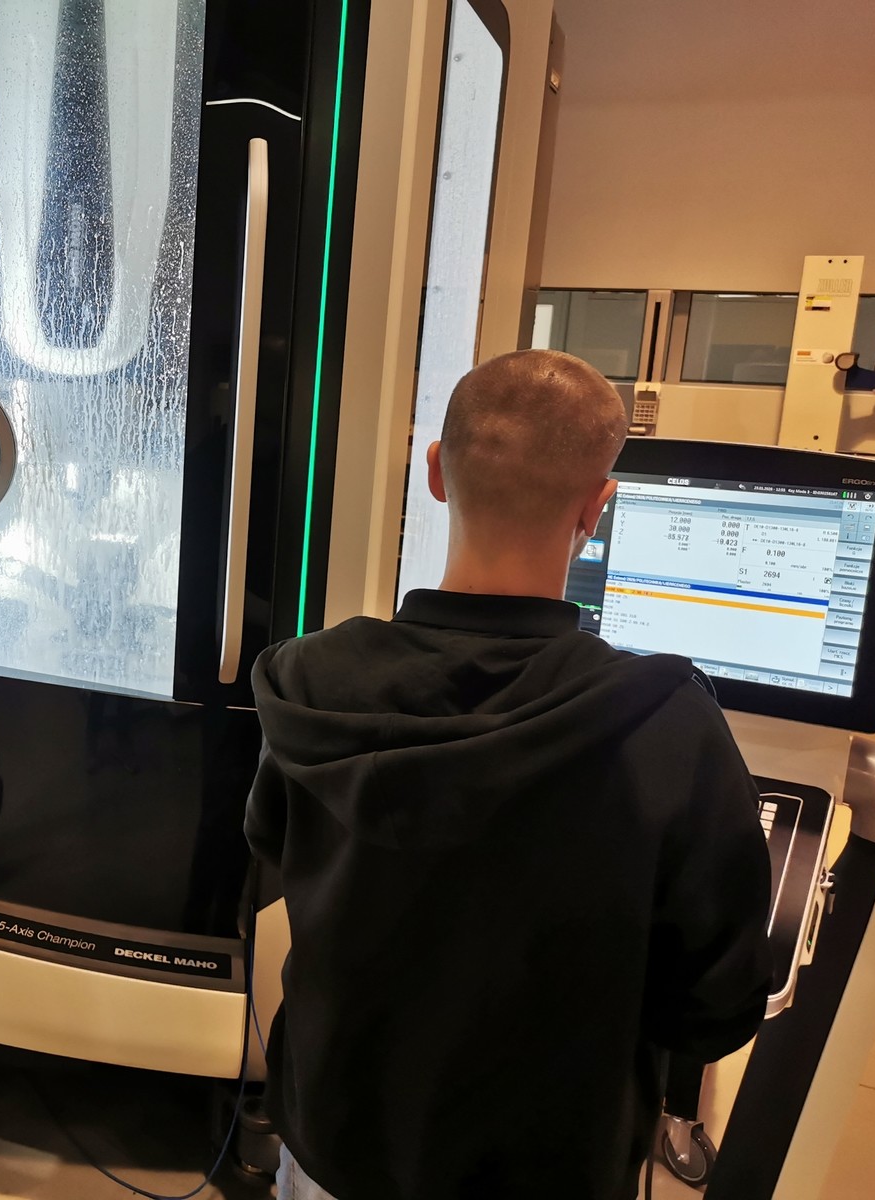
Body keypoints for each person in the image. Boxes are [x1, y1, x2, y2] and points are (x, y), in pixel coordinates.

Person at [246, 350, 772, 1200]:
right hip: (550, 1166)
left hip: (335, 1142)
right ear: (597, 507)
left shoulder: (306, 680)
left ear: (434, 474)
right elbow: (713, 1007)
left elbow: (274, 854)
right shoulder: (667, 723)